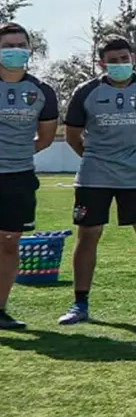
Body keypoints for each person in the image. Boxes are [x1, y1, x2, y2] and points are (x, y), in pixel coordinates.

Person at [59, 35, 136, 324]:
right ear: (101, 64)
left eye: (124, 59)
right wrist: (95, 159)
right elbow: (72, 135)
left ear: (133, 59)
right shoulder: (86, 91)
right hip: (94, 176)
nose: (120, 64)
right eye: (113, 61)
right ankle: (79, 305)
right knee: (88, 235)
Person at [0, 23, 58, 329]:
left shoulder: (42, 92)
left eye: (20, 45)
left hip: (19, 178)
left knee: (9, 243)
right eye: (7, 46)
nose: (15, 51)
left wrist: (14, 154)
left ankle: (0, 309)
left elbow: (45, 137)